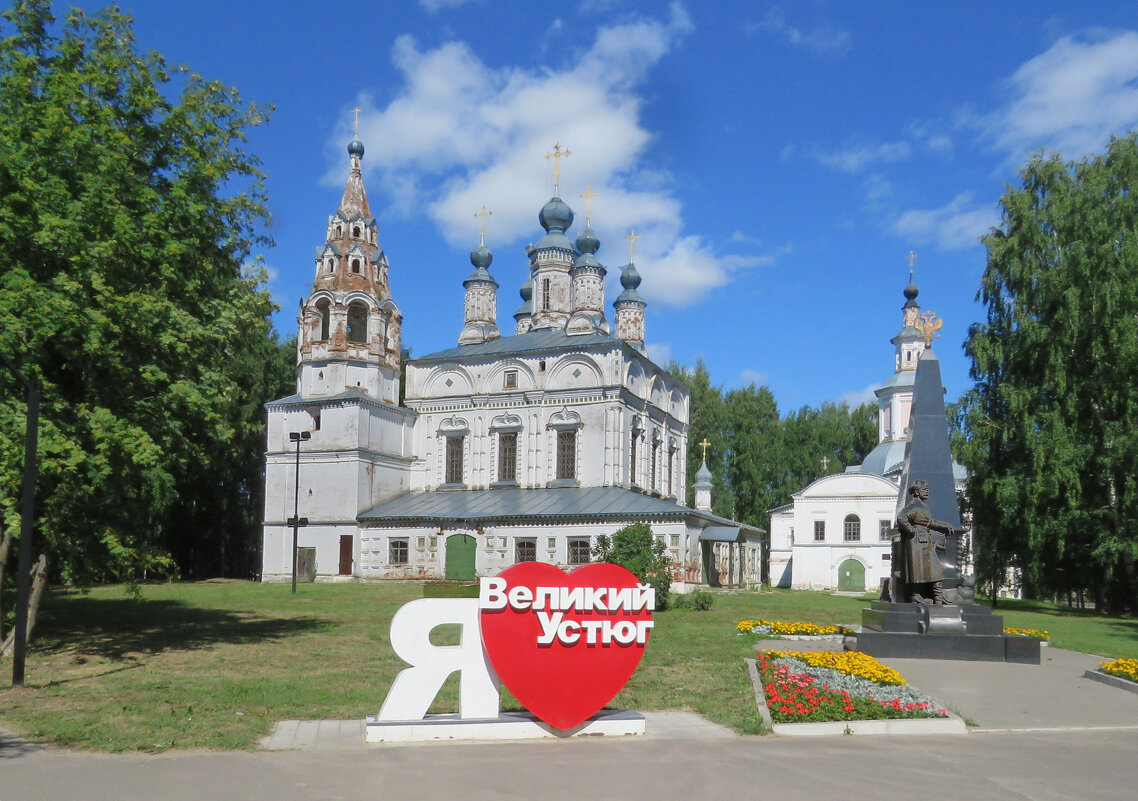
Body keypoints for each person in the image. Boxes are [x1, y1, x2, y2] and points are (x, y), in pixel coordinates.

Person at [896, 479, 955, 605]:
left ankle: (939, 596)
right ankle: (915, 595)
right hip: (916, 543)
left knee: (936, 568)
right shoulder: (914, 506)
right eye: (924, 490)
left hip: (925, 541)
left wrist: (944, 525)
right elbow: (901, 517)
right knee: (918, 570)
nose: (927, 492)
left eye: (927, 489)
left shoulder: (923, 506)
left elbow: (929, 522)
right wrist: (912, 531)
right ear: (917, 492)